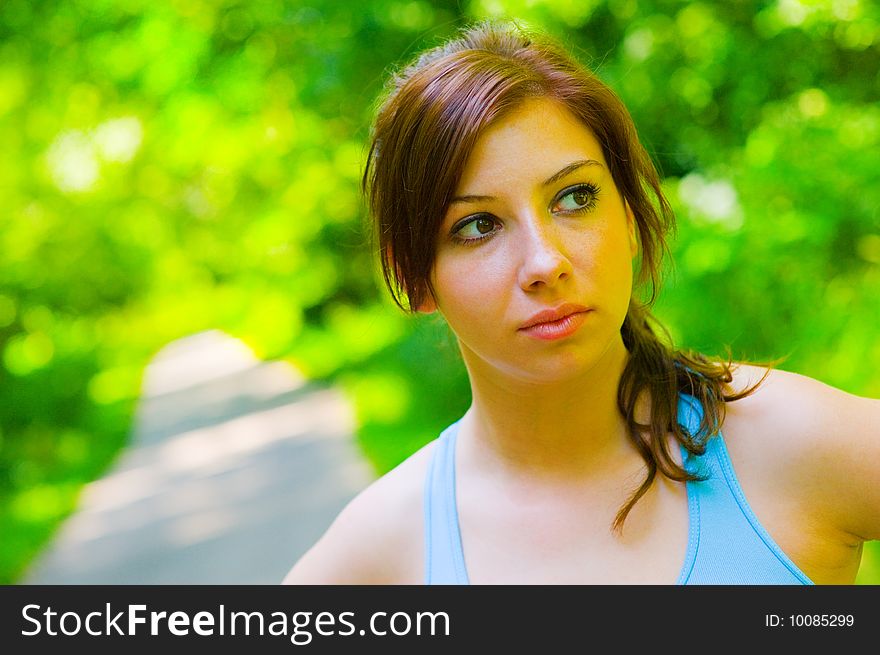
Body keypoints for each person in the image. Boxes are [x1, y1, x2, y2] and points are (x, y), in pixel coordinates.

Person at [283, 20, 879, 585]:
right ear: (411, 275)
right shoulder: (384, 552)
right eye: (477, 226)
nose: (545, 262)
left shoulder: (787, 443)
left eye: (574, 196)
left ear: (627, 213)